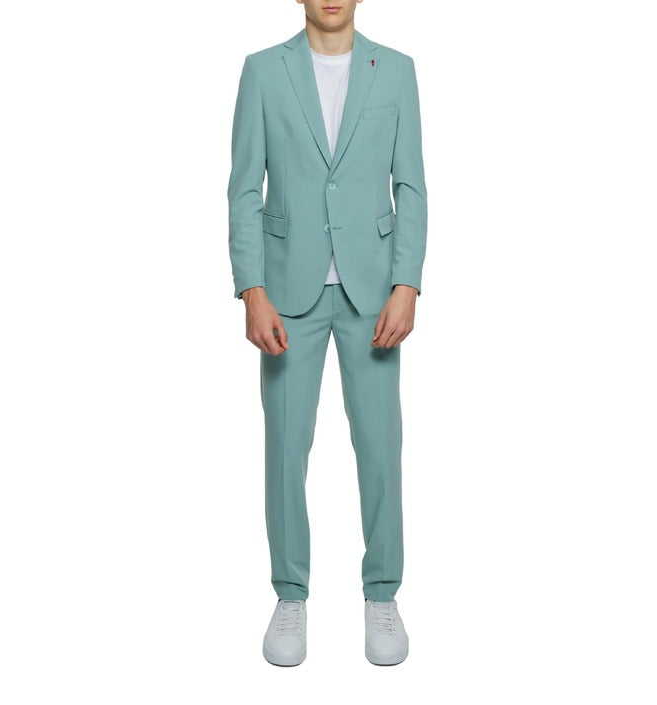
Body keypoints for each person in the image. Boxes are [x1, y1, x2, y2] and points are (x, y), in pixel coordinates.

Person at [227, 0, 427, 666]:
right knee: (286, 448)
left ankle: (382, 593)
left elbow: (411, 186)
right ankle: (290, 595)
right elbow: (244, 190)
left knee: (380, 447)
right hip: (287, 293)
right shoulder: (262, 71)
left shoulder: (395, 71)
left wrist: (407, 283)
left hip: (375, 292)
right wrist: (252, 289)